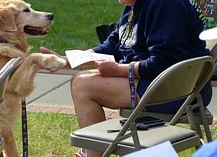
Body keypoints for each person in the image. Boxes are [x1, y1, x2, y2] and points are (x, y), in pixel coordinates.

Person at [41, 0, 213, 156]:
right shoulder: (134, 6)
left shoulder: (164, 5)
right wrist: (68, 60)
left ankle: (92, 154)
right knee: (82, 79)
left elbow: (163, 62)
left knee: (82, 85)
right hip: (169, 85)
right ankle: (91, 152)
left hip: (180, 92)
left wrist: (118, 70)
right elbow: (112, 45)